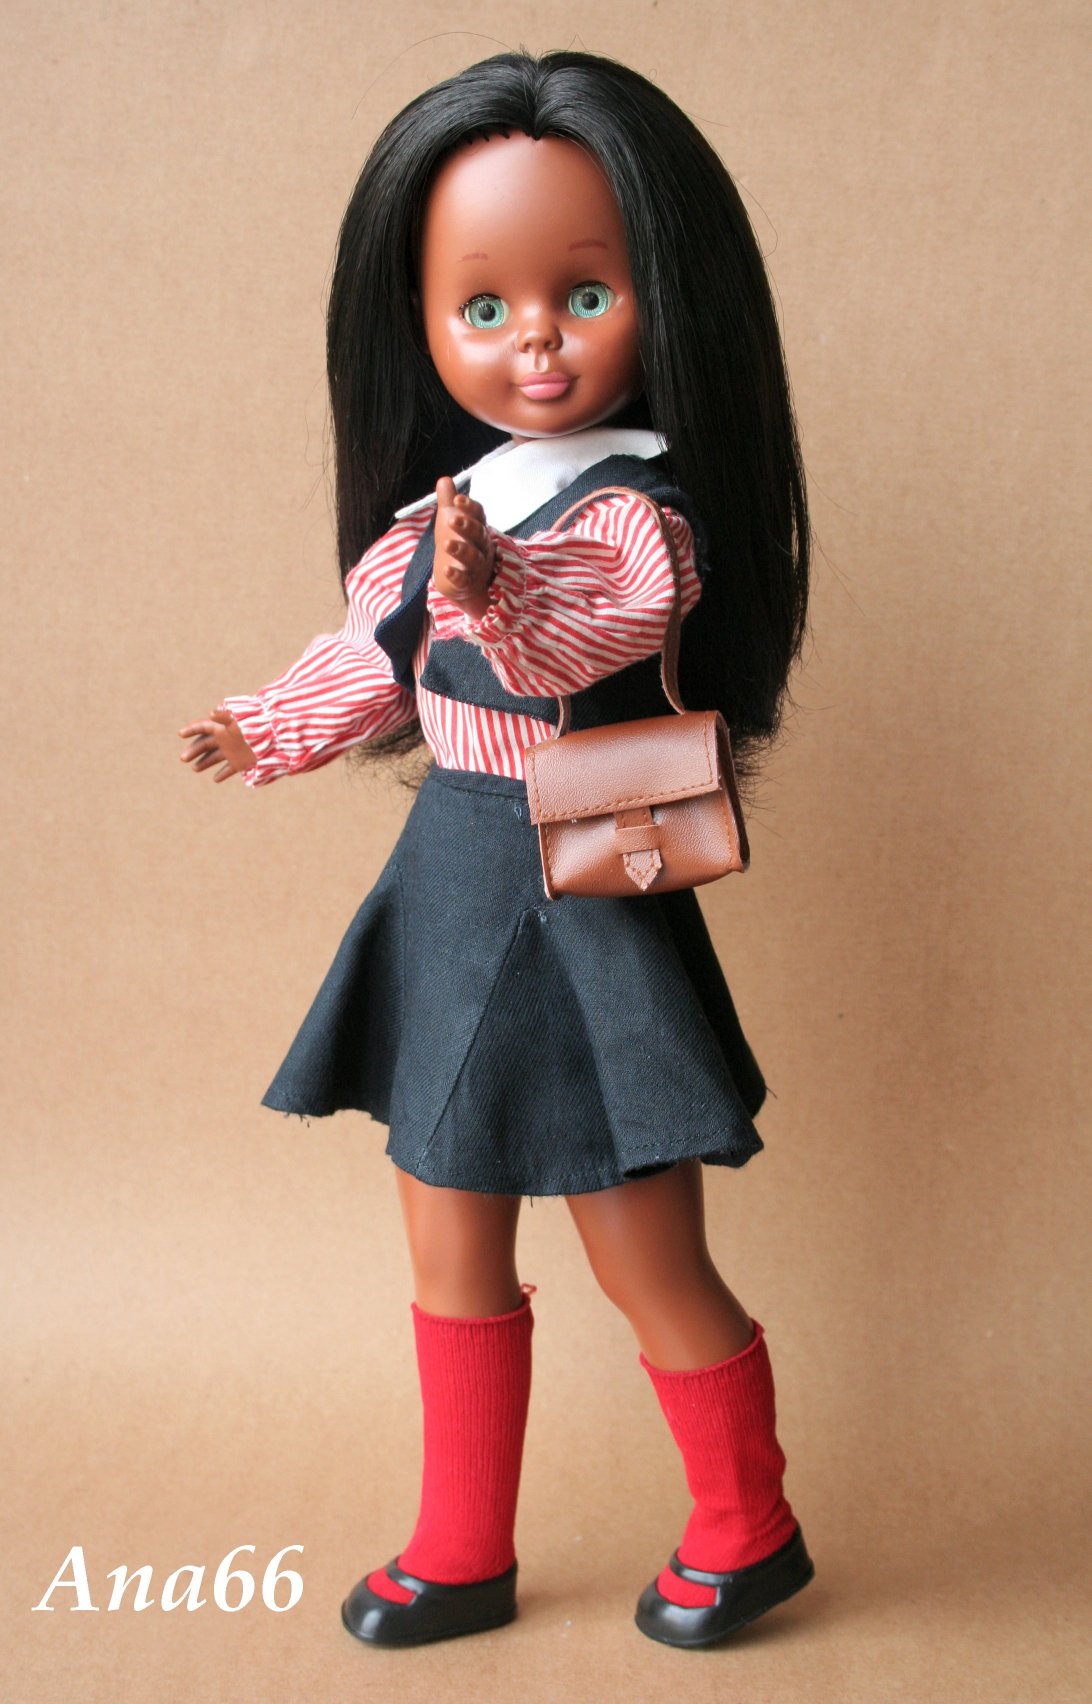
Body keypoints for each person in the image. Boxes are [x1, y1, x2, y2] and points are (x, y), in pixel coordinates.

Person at [179, 49, 814, 1651]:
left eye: (584, 294)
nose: (536, 337)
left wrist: (494, 593)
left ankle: (747, 1523)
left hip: (585, 880)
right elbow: (375, 654)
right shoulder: (435, 512)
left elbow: (592, 631)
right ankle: (461, 1543)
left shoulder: (637, 512)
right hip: (455, 878)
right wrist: (268, 724)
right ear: (419, 323)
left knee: (641, 1240)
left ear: (666, 297)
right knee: (444, 1216)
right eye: (484, 306)